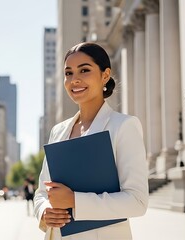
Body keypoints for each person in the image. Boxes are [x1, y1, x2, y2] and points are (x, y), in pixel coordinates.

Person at [34, 42, 148, 240]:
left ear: (105, 75)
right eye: (68, 73)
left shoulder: (123, 126)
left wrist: (74, 200)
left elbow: (137, 201)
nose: (74, 80)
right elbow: (42, 192)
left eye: (84, 70)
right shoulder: (58, 131)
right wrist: (44, 211)